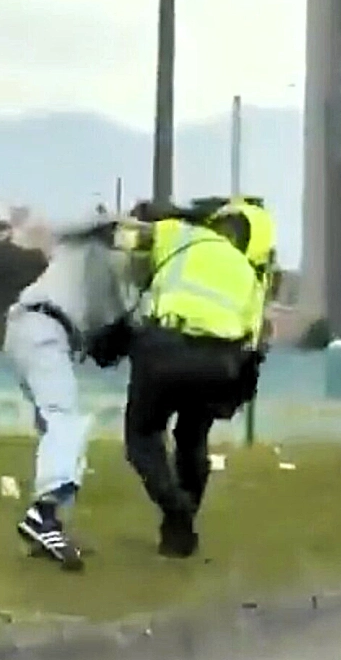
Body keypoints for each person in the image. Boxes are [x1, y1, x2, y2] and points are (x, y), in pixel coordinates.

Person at [116, 199, 275, 558]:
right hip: (218, 365)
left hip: (165, 351)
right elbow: (252, 345)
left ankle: (176, 507)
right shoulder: (250, 277)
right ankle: (178, 533)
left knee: (142, 436)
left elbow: (128, 238)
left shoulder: (180, 236)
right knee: (191, 438)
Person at [2, 218, 134, 571]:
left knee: (53, 424)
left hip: (29, 329)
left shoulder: (82, 257)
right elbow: (115, 332)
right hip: (42, 329)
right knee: (65, 420)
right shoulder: (93, 253)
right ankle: (42, 515)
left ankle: (50, 526)